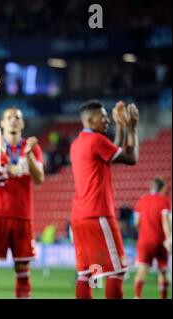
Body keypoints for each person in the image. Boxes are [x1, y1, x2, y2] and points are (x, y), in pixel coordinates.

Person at [70, 100, 139, 299]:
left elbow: (109, 152)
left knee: (86, 274)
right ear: (90, 120)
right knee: (117, 271)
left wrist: (120, 127)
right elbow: (131, 158)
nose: (107, 119)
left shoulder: (78, 143)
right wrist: (132, 128)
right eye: (103, 116)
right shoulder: (96, 142)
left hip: (79, 217)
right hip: (98, 214)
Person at [0, 107, 44, 298]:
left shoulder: (32, 147)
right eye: (9, 117)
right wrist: (6, 163)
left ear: (22, 123)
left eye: (18, 117)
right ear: (2, 123)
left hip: (23, 215)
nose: (14, 120)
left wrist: (29, 154)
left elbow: (39, 179)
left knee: (23, 267)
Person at [133, 177, 171, 299]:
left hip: (144, 241)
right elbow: (165, 221)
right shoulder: (164, 201)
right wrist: (168, 238)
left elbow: (136, 222)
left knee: (142, 270)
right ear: (162, 188)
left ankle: (137, 296)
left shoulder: (142, 200)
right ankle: (163, 297)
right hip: (160, 240)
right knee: (163, 270)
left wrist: (142, 234)